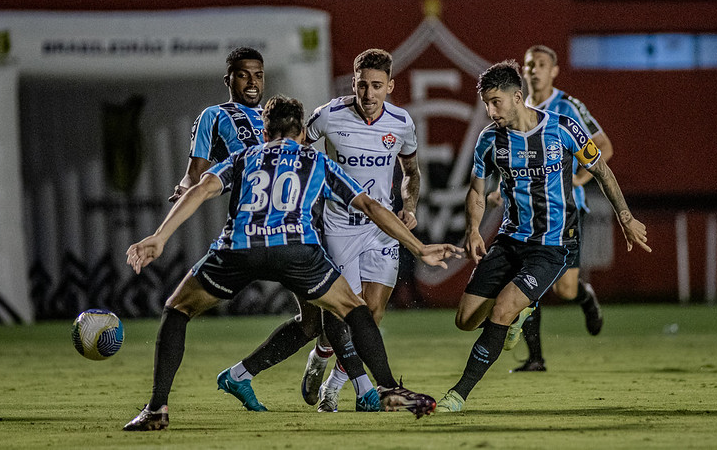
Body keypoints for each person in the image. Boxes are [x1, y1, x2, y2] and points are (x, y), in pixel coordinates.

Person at [123, 96, 462, 430]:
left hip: (241, 248)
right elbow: (372, 207)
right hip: (297, 250)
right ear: (302, 133)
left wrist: (159, 237)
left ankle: (156, 409)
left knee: (177, 309)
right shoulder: (317, 162)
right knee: (354, 309)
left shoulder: (243, 157)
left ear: (265, 130)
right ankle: (388, 388)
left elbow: (201, 189)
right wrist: (418, 248)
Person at [436, 60, 650, 413]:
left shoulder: (564, 128)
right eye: (486, 103)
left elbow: (601, 170)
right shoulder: (490, 139)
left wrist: (625, 217)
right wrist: (473, 229)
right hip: (509, 240)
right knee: (465, 320)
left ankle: (457, 395)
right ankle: (522, 311)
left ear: (517, 97)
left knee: (502, 310)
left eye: (496, 102)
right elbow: (476, 191)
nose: (490, 111)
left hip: (551, 246)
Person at [214, 48, 420, 414]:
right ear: (352, 84)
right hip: (338, 228)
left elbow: (411, 172)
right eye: (362, 86)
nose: (368, 94)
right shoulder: (328, 116)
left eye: (376, 86)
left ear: (390, 86)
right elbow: (292, 154)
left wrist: (410, 206)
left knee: (368, 317)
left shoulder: (402, 122)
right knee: (343, 312)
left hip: (381, 227)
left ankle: (328, 372)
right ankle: (361, 390)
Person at [502, 44, 614, 372]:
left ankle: (584, 295)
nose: (533, 69)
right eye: (528, 64)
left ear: (553, 71)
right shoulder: (517, 109)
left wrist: (579, 179)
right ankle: (535, 357)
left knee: (564, 289)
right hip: (525, 212)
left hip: (564, 211)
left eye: (540, 64)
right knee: (524, 280)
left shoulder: (568, 106)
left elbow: (604, 147)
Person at [168, 46, 265, 203]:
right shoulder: (214, 115)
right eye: (242, 76)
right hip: (250, 211)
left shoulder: (275, 115)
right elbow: (194, 174)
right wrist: (185, 189)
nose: (252, 82)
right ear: (228, 80)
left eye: (258, 76)